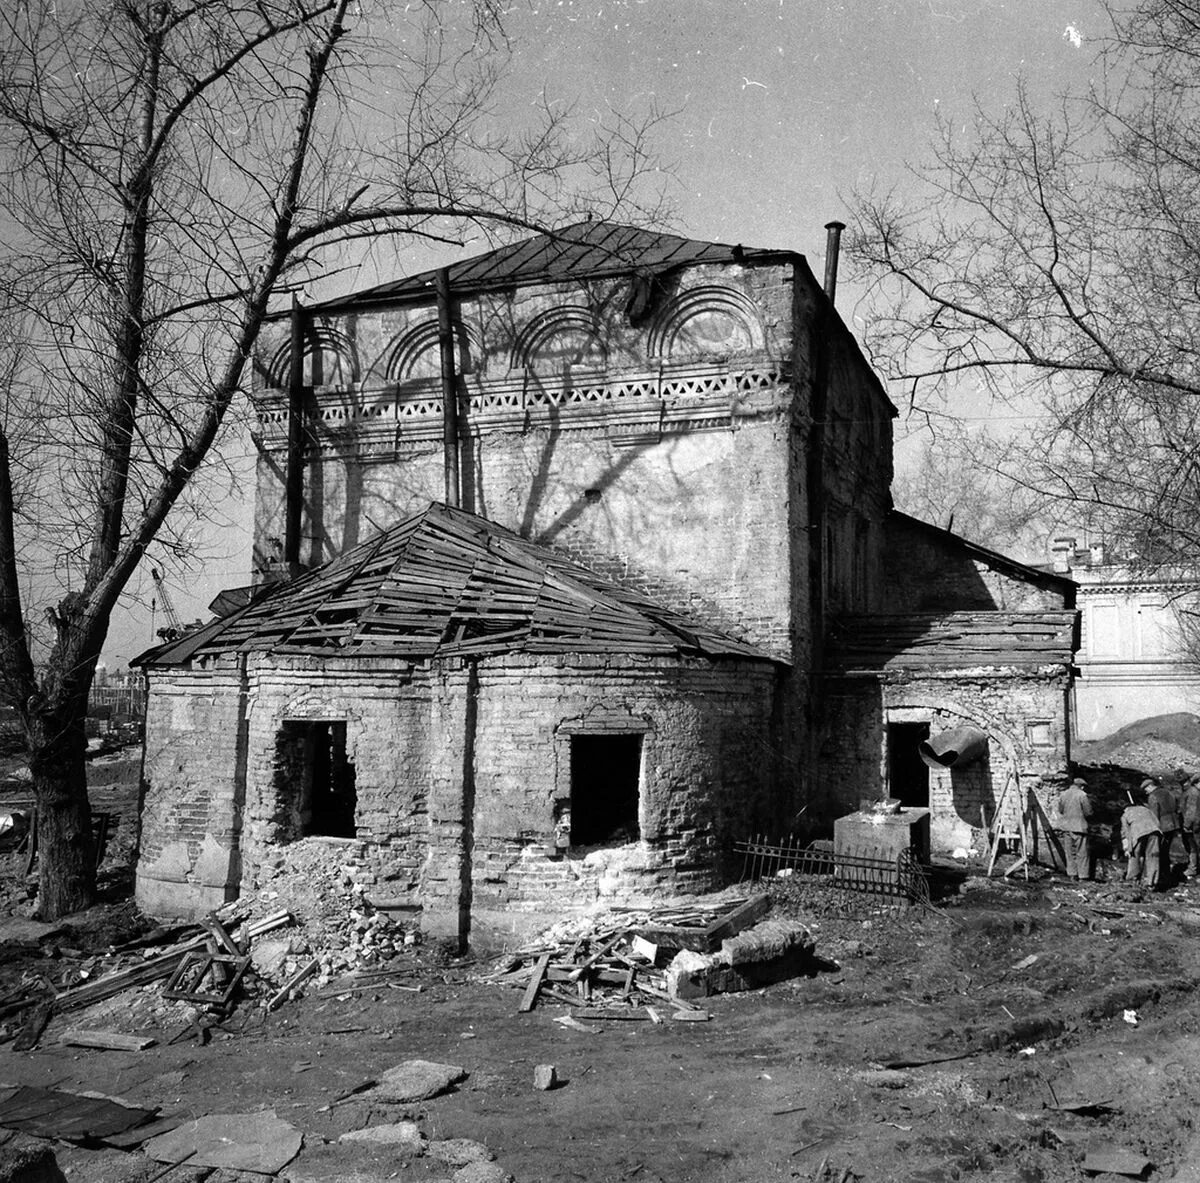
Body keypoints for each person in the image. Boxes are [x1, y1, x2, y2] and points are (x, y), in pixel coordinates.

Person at [1146, 776, 1182, 886]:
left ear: (1151, 786)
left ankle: (1161, 876)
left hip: (1162, 826)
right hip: (1173, 824)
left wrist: (1152, 829)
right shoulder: (1169, 792)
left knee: (1159, 852)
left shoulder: (1153, 796)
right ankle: (1166, 875)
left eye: (1146, 789)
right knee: (1166, 850)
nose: (1146, 792)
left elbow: (1154, 815)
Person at [1055, 777, 1093, 881]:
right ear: (1082, 786)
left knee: (1069, 852)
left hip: (1067, 827)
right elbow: (1088, 812)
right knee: (1082, 852)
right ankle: (1083, 876)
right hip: (1079, 827)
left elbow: (1060, 810)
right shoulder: (1082, 795)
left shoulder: (1064, 794)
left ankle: (1072, 874)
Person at [1122, 793, 1164, 887]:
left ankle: (1132, 879)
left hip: (1138, 833)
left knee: (1134, 855)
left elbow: (1125, 832)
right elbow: (1156, 822)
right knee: (1153, 856)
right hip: (1154, 831)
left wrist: (1127, 848)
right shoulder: (1146, 809)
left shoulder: (1125, 814)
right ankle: (1151, 882)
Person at [1182, 773, 1200, 878]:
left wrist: (1187, 825)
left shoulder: (1193, 793)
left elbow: (1191, 813)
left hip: (1194, 825)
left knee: (1193, 847)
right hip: (1196, 824)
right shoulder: (1195, 793)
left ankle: (1192, 868)